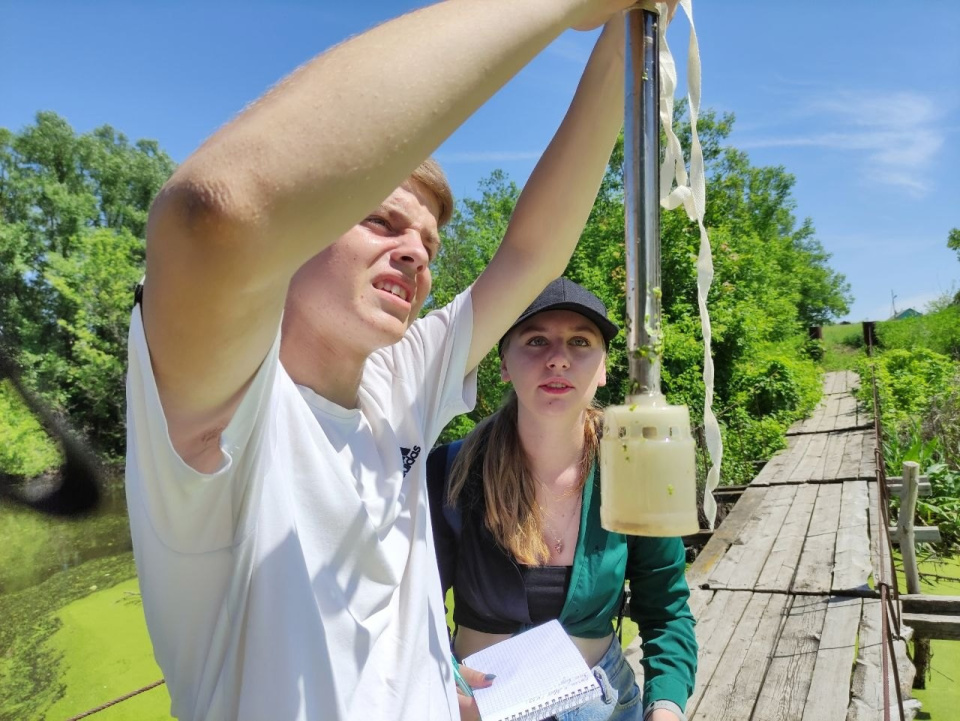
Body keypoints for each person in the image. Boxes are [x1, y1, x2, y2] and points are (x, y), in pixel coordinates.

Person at [123, 1, 645, 719]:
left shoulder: (399, 380)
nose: (416, 252)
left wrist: (624, 35)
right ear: (296, 236)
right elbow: (217, 211)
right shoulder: (224, 409)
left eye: (428, 244)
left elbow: (530, 254)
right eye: (381, 220)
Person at [427, 278, 698, 721]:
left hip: (603, 708)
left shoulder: (635, 470)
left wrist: (665, 707)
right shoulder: (449, 471)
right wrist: (445, 682)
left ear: (604, 367)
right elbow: (412, 609)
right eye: (536, 341)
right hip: (474, 709)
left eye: (580, 341)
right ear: (504, 364)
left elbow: (666, 609)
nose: (557, 358)